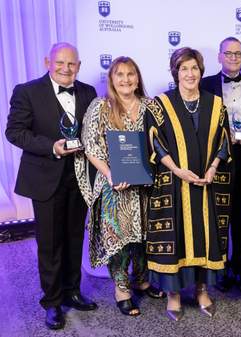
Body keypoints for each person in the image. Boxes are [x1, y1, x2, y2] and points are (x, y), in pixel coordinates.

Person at [5, 42, 98, 330]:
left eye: (71, 64)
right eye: (60, 62)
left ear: (79, 66)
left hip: (80, 177)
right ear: (48, 61)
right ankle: (53, 301)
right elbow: (14, 132)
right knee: (49, 243)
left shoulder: (88, 92)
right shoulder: (27, 91)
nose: (65, 68)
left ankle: (72, 290)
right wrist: (52, 147)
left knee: (73, 238)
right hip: (45, 177)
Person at [145, 47, 232, 321]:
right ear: (176, 72)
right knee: (178, 238)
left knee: (205, 237)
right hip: (173, 183)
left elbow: (224, 141)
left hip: (207, 184)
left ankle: (202, 290)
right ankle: (173, 295)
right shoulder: (160, 105)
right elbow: (155, 142)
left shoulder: (216, 104)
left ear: (201, 71)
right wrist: (177, 170)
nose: (190, 73)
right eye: (184, 68)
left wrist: (213, 168)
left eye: (194, 68)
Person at [74, 56, 165, 317]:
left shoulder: (151, 106)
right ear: (111, 79)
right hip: (114, 185)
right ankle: (122, 290)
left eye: (131, 74)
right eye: (120, 74)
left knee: (144, 237)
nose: (126, 79)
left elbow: (163, 143)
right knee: (120, 240)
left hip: (145, 185)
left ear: (138, 78)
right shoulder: (100, 106)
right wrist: (112, 175)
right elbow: (90, 147)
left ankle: (143, 280)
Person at [201, 37, 241, 292]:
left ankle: (240, 267)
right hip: (215, 162)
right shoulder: (205, 85)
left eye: (238, 54)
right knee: (217, 218)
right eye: (229, 53)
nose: (234, 58)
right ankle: (220, 268)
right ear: (219, 56)